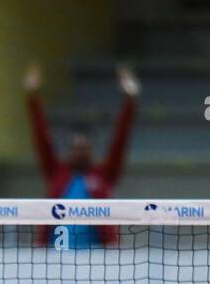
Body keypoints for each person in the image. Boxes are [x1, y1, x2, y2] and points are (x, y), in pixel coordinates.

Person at [24, 62, 139, 247]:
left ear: (91, 150)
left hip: (96, 261)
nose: (80, 152)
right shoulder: (56, 173)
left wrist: (130, 101)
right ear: (70, 151)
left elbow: (120, 141)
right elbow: (42, 140)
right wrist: (32, 97)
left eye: (84, 148)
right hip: (56, 258)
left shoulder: (104, 174)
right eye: (76, 148)